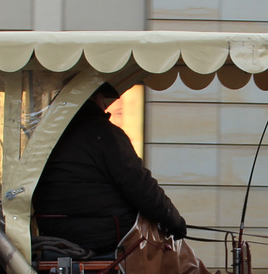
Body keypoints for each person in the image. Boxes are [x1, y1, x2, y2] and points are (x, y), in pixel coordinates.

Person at [33, 84, 187, 255]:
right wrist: (174, 221)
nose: (106, 105)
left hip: (54, 233)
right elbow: (140, 186)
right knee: (170, 259)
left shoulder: (43, 137)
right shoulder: (105, 134)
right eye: (102, 98)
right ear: (91, 98)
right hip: (105, 237)